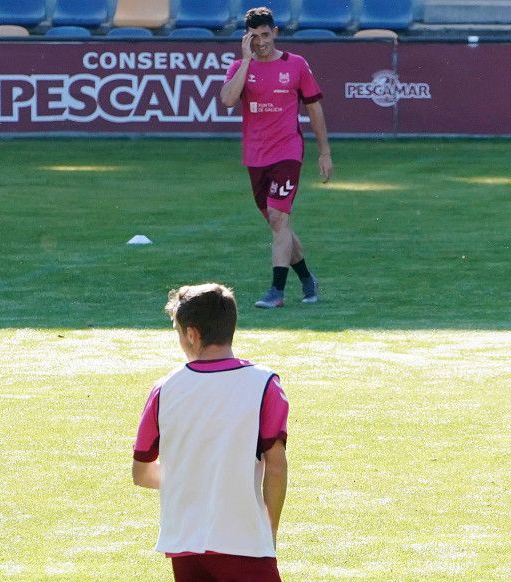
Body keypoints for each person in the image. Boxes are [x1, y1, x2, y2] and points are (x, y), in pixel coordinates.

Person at [132, 283, 289, 580]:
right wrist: (270, 529)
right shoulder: (265, 384)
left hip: (184, 544)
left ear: (192, 334)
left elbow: (141, 473)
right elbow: (276, 466)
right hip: (244, 542)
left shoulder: (164, 389)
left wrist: (193, 479)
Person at [220, 6, 333, 309]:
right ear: (247, 38)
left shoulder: (296, 65)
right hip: (255, 156)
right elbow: (228, 99)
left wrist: (324, 152)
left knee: (278, 217)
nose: (261, 42)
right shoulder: (239, 67)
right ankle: (308, 279)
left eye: (265, 34)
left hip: (287, 152)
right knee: (277, 224)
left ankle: (276, 291)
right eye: (254, 36)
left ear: (276, 33)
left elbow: (314, 108)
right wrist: (245, 61)